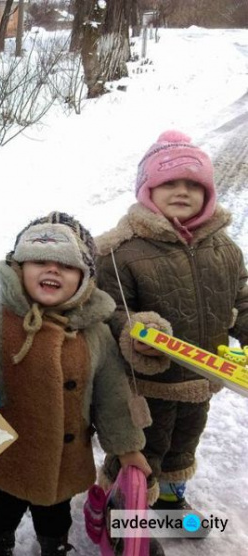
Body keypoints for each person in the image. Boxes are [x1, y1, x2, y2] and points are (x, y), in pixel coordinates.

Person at [0, 212, 150, 556]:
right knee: (3, 507)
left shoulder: (94, 333)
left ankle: (54, 545)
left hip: (64, 456)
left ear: (84, 278)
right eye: (39, 260)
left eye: (66, 265)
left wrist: (127, 447)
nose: (52, 270)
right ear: (18, 267)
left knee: (54, 513)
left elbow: (112, 395)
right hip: (7, 453)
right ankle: (0, 541)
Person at [95, 130, 248, 512]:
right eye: (169, 183)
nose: (182, 191)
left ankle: (167, 500)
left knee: (183, 444)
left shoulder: (225, 249)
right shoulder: (123, 251)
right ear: (147, 190)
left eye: (193, 184)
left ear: (208, 193)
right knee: (142, 447)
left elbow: (242, 298)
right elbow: (108, 311)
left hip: (203, 378)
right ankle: (121, 507)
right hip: (146, 384)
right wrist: (132, 334)